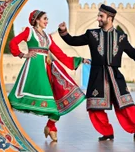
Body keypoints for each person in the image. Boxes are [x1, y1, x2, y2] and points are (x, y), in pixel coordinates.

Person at [58, 4, 135, 141]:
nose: (98, 19)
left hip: (115, 75)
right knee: (95, 108)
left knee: (127, 105)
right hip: (97, 76)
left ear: (110, 18)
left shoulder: (121, 37)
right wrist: (63, 32)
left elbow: (133, 53)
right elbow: (74, 41)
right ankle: (107, 133)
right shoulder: (92, 34)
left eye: (101, 16)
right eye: (98, 16)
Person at [8, 10, 90, 141]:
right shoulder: (29, 32)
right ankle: (50, 127)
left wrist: (80, 60)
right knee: (51, 103)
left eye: (47, 19)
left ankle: (51, 126)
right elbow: (13, 43)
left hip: (46, 70)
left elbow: (60, 53)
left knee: (57, 101)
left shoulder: (47, 36)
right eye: (45, 19)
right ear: (37, 20)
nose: (47, 21)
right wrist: (23, 54)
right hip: (34, 70)